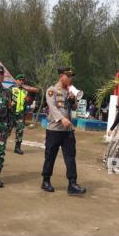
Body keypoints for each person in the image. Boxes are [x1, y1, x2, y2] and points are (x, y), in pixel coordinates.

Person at [41, 67, 86, 195]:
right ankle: (46, 180)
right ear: (61, 76)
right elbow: (52, 107)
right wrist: (62, 119)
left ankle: (72, 183)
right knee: (50, 156)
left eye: (71, 76)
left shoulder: (70, 91)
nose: (71, 78)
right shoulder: (52, 90)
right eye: (68, 76)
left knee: (70, 156)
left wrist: (73, 99)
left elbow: (75, 107)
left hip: (68, 130)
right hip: (54, 130)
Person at [9, 73, 28, 155]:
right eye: (20, 80)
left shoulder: (25, 91)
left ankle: (17, 148)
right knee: (6, 131)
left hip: (20, 114)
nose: (21, 81)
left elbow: (25, 104)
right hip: (11, 114)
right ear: (16, 80)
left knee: (20, 131)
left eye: (23, 80)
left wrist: (24, 114)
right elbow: (7, 100)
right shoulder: (11, 89)